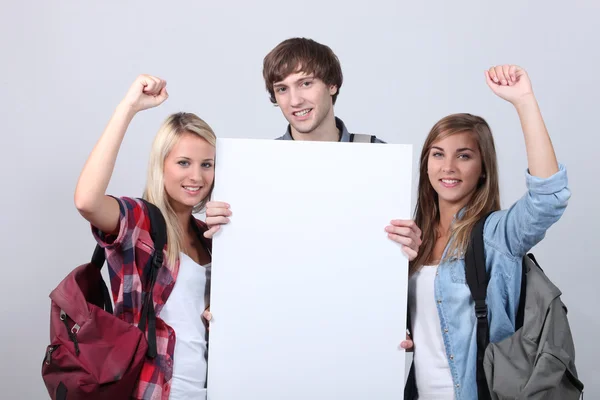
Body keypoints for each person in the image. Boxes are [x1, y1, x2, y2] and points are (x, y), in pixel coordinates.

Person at [400, 65, 571, 399]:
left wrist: (524, 101)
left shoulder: (496, 234)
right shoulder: (412, 238)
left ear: (482, 169)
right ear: (426, 163)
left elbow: (548, 199)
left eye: (463, 156)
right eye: (438, 154)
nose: (448, 167)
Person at [203, 37, 422, 263]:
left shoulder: (379, 157)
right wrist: (225, 228)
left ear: (332, 85)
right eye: (282, 89)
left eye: (305, 83)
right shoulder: (254, 167)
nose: (295, 100)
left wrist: (410, 245)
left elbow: (386, 250)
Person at [74, 75, 215, 400]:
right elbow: (87, 201)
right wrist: (129, 108)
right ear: (161, 165)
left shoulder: (209, 238)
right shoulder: (142, 224)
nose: (197, 176)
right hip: (154, 391)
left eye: (206, 164)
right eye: (183, 163)